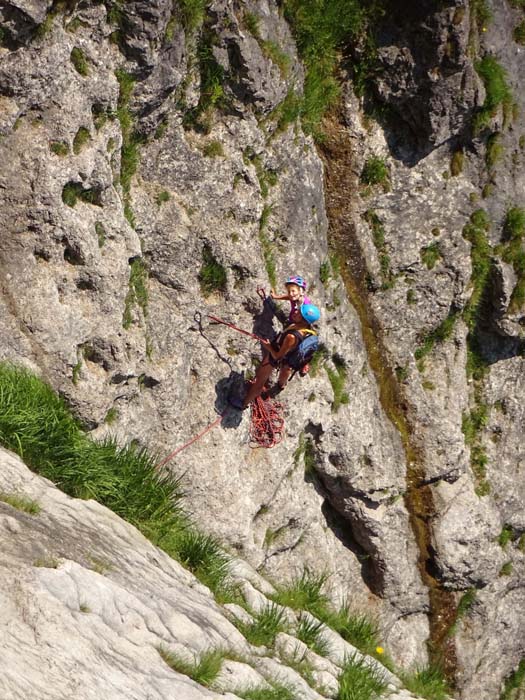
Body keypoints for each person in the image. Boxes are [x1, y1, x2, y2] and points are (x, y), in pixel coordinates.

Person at [230, 303, 321, 410]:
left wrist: (268, 346)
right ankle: (258, 389)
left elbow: (278, 356)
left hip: (274, 358)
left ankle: (243, 404)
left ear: (304, 320)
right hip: (278, 351)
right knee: (260, 374)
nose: (295, 312)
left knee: (260, 381)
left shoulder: (291, 337)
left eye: (299, 313)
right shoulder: (305, 328)